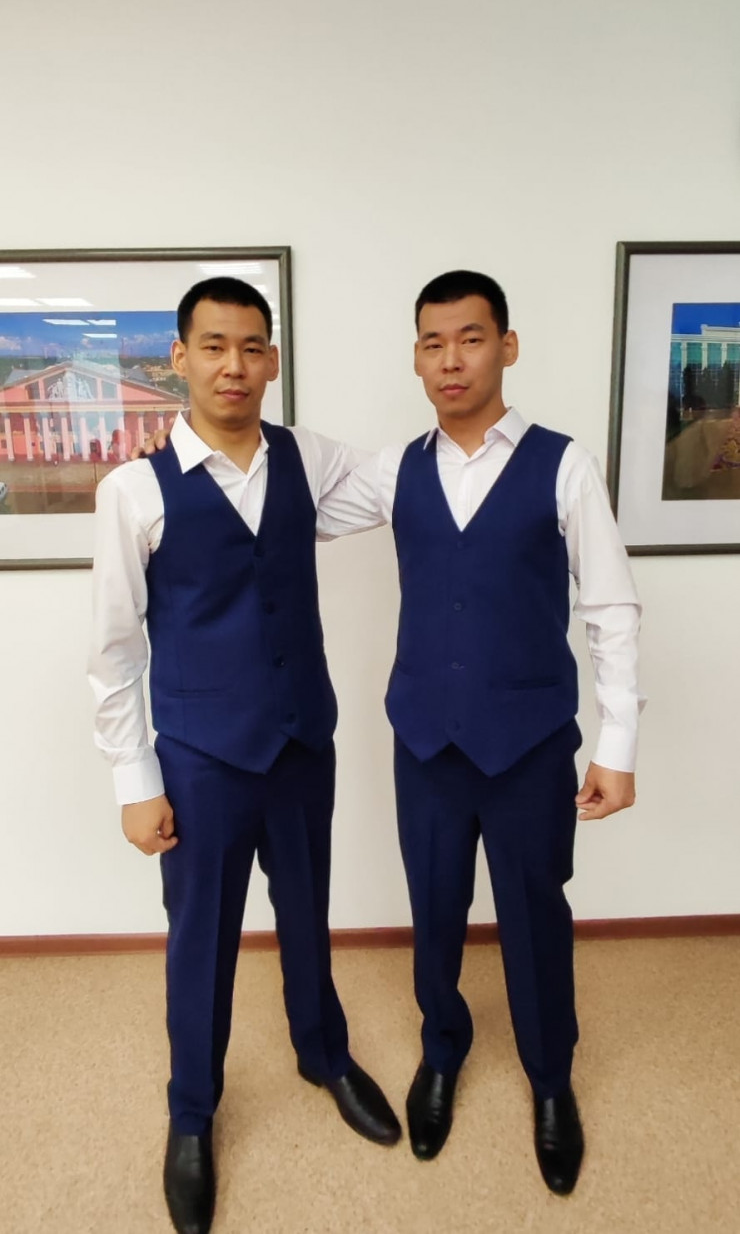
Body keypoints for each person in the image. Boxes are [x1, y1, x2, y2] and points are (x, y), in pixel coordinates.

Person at [316, 269, 643, 1195]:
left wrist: (616, 745)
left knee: (536, 913)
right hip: (424, 738)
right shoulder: (395, 469)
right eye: (433, 342)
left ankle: (551, 1078)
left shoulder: (564, 465)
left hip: (529, 740)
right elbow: (289, 502)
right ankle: (442, 1050)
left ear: (507, 345)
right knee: (434, 910)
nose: (451, 358)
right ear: (416, 358)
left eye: (469, 337)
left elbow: (611, 607)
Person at [88, 277, 400, 1234]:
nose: (235, 365)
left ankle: (323, 1052)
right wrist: (135, 781)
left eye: (252, 347)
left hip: (303, 742)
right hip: (202, 759)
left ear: (272, 359)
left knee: (308, 915)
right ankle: (192, 1111)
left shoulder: (309, 458)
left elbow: (408, 481)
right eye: (215, 346)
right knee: (201, 941)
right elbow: (114, 651)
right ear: (178, 358)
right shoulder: (133, 489)